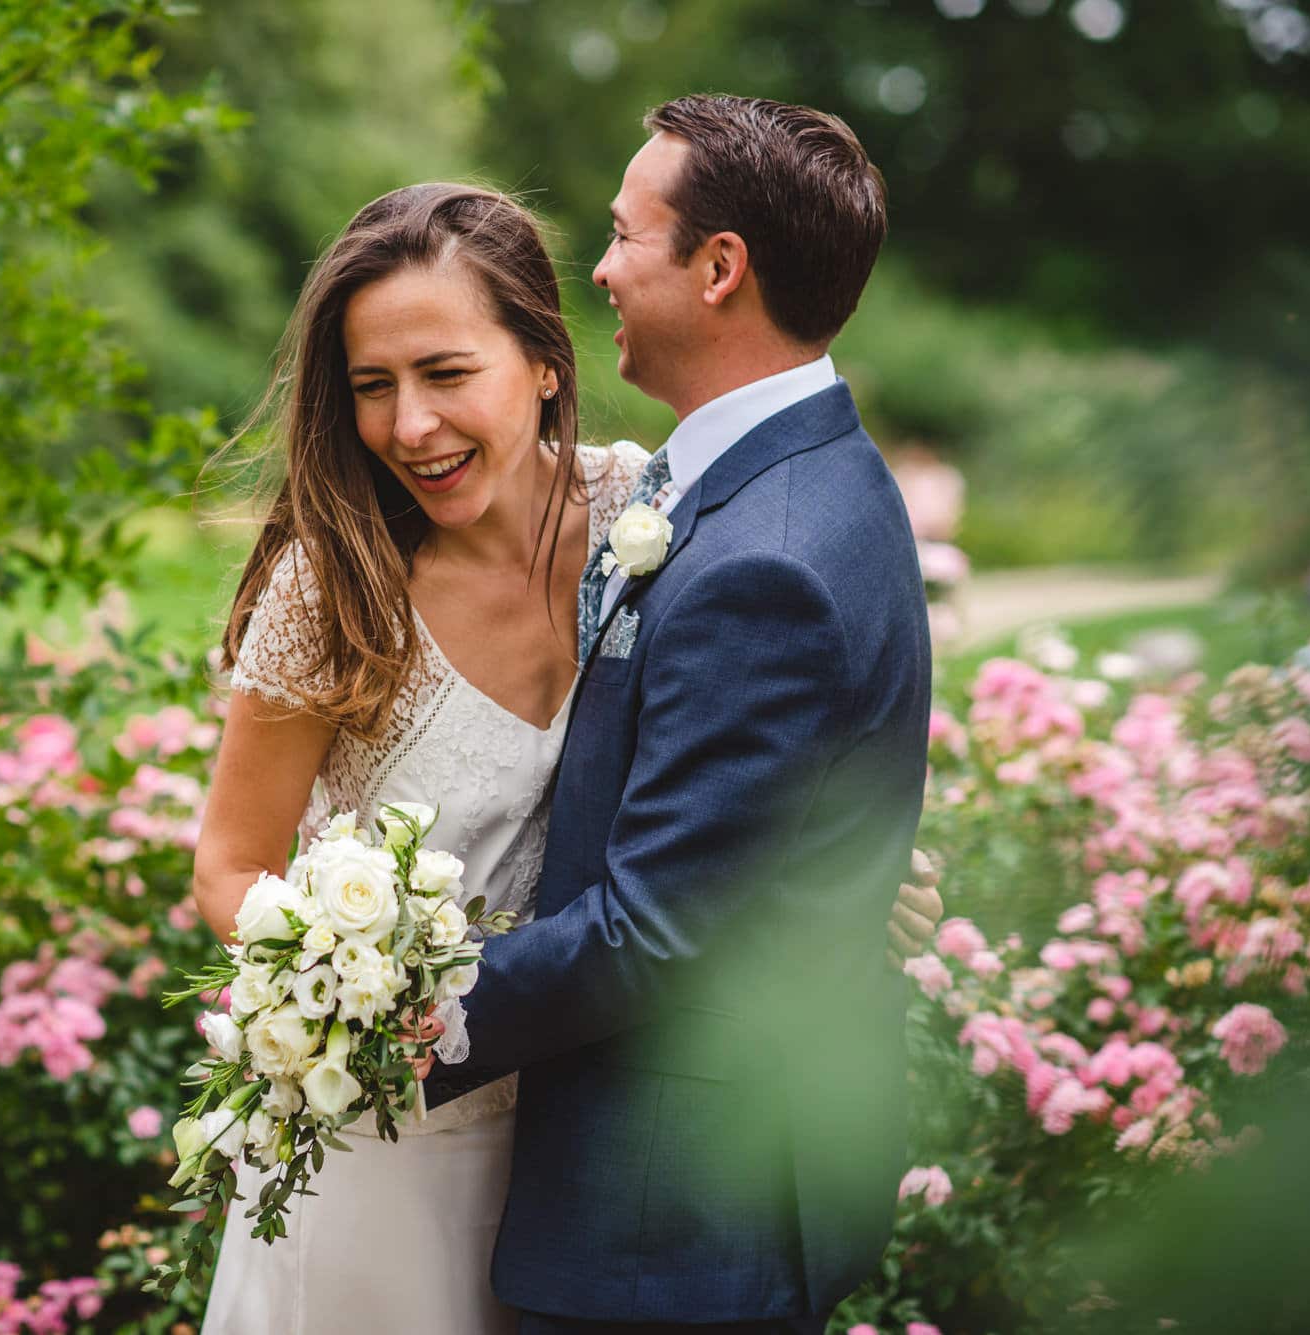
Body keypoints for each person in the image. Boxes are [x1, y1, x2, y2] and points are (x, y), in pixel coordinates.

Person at [193, 130, 933, 1335]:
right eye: (370, 388)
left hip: (590, 1121)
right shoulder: (334, 590)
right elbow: (229, 862)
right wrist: (339, 997)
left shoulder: (648, 511)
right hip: (394, 1126)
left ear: (541, 366)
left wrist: (813, 879)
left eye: (443, 373)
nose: (407, 425)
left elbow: (740, 760)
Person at [419, 96, 930, 1334]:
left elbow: (652, 931)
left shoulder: (773, 558)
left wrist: (398, 1014)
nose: (593, 270)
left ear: (717, 268)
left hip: (666, 1218)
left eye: (620, 235)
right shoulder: (785, 476)